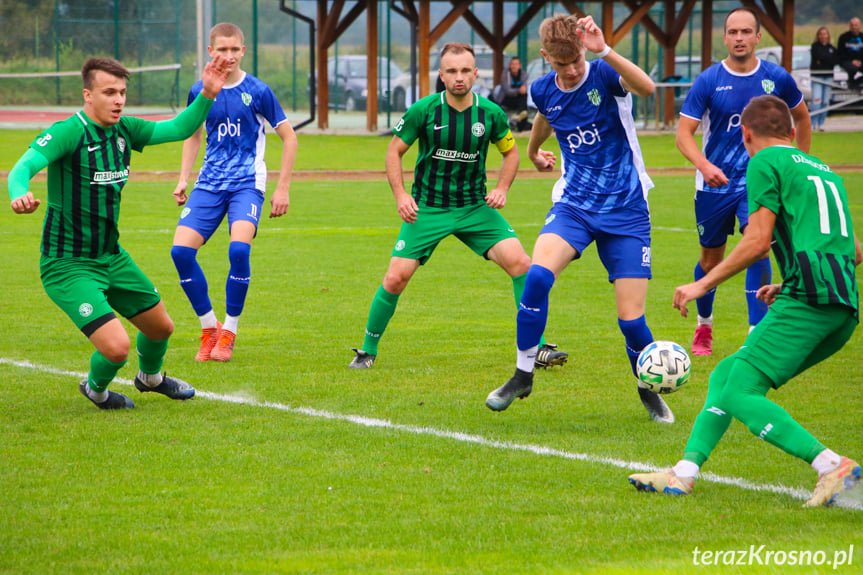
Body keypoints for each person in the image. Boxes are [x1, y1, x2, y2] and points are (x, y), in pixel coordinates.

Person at [629, 95, 862, 506]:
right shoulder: (826, 171)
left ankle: (831, 466)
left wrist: (703, 285)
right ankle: (683, 474)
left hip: (809, 302)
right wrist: (790, 280)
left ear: (745, 134)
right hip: (840, 307)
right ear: (792, 132)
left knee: (739, 390)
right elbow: (853, 250)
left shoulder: (764, 162)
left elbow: (756, 242)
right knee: (726, 375)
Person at [7, 55, 231, 409]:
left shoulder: (125, 130)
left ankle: (151, 378)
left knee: (161, 328)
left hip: (111, 256)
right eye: (109, 92)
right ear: (87, 95)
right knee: (117, 347)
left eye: (122, 92)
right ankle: (96, 390)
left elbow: (179, 128)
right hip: (68, 265)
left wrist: (206, 93)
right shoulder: (69, 131)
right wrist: (19, 193)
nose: (118, 100)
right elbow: (23, 167)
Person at [484, 15, 675, 424]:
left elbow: (647, 88)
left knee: (632, 321)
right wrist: (535, 150)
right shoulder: (542, 88)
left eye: (576, 60)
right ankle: (522, 373)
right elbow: (547, 115)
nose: (570, 71)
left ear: (584, 50)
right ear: (545, 57)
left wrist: (604, 48)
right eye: (560, 63)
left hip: (626, 210)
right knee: (536, 277)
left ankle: (648, 389)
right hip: (575, 205)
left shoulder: (604, 73)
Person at [349, 42, 567, 371]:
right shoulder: (423, 110)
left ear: (476, 74)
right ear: (441, 74)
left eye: (465, 70)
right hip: (428, 208)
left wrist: (502, 188)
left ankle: (534, 347)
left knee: (522, 265)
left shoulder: (491, 114)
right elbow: (394, 152)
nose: (459, 77)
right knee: (395, 279)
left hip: (473, 208)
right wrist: (401, 196)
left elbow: (511, 153)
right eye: (452, 71)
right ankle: (367, 350)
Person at [676, 7, 811, 357]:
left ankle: (756, 333)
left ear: (757, 37)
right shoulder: (708, 80)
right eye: (732, 32)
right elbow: (683, 134)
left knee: (759, 245)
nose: (739, 38)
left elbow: (802, 117)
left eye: (745, 32)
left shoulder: (775, 77)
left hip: (758, 182)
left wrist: (802, 162)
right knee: (710, 260)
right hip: (714, 185)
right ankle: (704, 326)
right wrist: (704, 165)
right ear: (724, 37)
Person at [171, 22, 297, 363]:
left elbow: (289, 137)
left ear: (243, 51)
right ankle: (208, 327)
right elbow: (192, 133)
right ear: (210, 52)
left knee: (239, 250)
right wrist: (184, 177)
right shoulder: (200, 90)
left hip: (246, 184)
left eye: (234, 49)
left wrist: (281, 188)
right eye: (221, 50)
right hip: (209, 184)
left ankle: (229, 331)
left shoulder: (257, 90)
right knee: (181, 253)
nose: (228, 56)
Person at [810, 26, 838, 132]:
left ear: (828, 35)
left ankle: (821, 123)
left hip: (828, 77)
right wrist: (826, 59)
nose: (823, 36)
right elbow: (819, 56)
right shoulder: (815, 47)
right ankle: (813, 124)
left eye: (825, 34)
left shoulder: (831, 48)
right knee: (817, 100)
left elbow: (835, 60)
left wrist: (824, 59)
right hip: (817, 77)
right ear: (818, 36)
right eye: (821, 34)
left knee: (825, 102)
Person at [498, 57, 530, 129]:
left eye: (516, 64)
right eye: (512, 64)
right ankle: (520, 117)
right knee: (522, 98)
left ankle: (520, 118)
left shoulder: (523, 75)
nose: (514, 66)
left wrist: (521, 90)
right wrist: (518, 90)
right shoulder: (505, 74)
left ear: (520, 66)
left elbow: (524, 89)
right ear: (509, 65)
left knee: (524, 96)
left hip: (518, 100)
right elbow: (507, 91)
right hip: (505, 99)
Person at [837, 17, 863, 90]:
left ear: (860, 25)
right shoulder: (843, 37)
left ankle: (857, 83)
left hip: (860, 61)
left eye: (856, 25)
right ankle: (851, 84)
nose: (854, 27)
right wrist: (852, 61)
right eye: (852, 25)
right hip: (847, 61)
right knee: (852, 68)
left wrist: (860, 61)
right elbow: (840, 53)